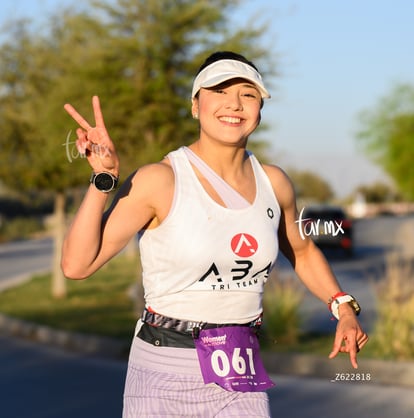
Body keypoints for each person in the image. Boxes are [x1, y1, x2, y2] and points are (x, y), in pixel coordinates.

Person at [62, 51, 368, 417]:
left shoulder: (274, 182)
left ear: (259, 110)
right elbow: (77, 266)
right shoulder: (160, 180)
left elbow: (302, 251)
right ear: (196, 106)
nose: (233, 104)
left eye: (248, 94)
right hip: (163, 370)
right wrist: (103, 180)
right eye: (219, 90)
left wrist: (343, 306)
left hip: (240, 375)